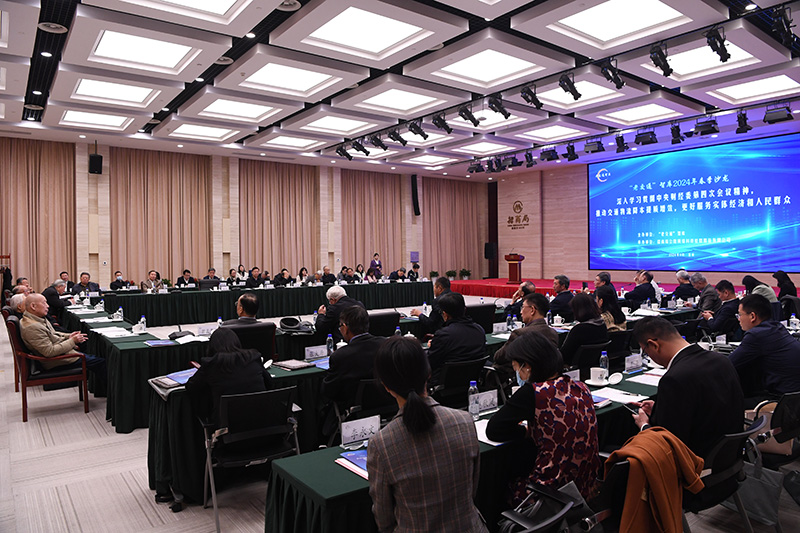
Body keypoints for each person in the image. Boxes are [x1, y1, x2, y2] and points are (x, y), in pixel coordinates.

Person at [366, 336, 488, 533]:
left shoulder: (381, 444)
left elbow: (384, 519)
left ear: (386, 386)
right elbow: (472, 490)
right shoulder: (464, 421)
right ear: (428, 373)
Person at [487, 331, 601, 504]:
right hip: (584, 487)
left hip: (547, 494)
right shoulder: (580, 387)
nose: (517, 373)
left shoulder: (533, 392)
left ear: (527, 366)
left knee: (495, 483)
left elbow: (494, 430)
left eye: (516, 368)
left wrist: (526, 432)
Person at [629, 317, 743, 458]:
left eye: (646, 352)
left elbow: (669, 445)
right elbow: (706, 408)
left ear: (654, 345)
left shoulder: (674, 378)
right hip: (729, 454)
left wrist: (644, 426)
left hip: (695, 461)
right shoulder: (721, 360)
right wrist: (660, 410)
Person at [185, 328, 273, 426]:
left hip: (228, 427)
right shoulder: (253, 356)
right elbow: (269, 382)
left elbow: (191, 387)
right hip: (263, 422)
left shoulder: (211, 364)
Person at [19, 293, 107, 384]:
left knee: (89, 349)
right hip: (55, 361)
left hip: (60, 354)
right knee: (100, 362)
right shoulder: (32, 327)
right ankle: (106, 390)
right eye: (44, 303)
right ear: (33, 306)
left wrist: (69, 336)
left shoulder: (35, 318)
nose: (48, 306)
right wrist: (72, 341)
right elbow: (49, 352)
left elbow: (53, 333)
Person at [729, 294, 800, 402]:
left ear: (752, 316)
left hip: (782, 400)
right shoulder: (777, 327)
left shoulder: (756, 335)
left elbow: (729, 364)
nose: (738, 319)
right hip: (794, 394)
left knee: (726, 403)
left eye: (740, 315)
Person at [321, 305, 386, 406]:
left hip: (354, 409)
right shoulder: (386, 345)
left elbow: (329, 391)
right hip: (386, 404)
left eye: (340, 326)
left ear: (345, 328)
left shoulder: (340, 356)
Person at [493, 293, 559, 380]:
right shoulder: (553, 333)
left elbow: (499, 357)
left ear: (532, 310)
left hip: (520, 377)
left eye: (523, 307)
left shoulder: (520, 333)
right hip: (545, 377)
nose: (521, 312)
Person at [427, 292, 486, 385]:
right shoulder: (479, 330)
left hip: (444, 385)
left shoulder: (443, 335)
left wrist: (433, 346)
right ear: (464, 310)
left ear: (445, 315)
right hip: (472, 383)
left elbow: (430, 362)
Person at [559, 293, 608, 367]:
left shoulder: (579, 330)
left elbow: (564, 355)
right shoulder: (602, 325)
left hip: (574, 367)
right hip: (594, 365)